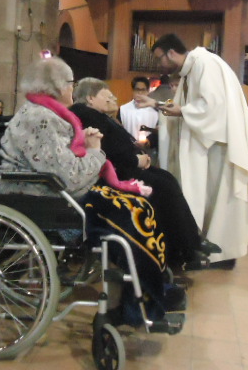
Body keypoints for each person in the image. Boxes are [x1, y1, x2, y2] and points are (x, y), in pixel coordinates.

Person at [0, 57, 181, 326]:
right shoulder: (41, 118)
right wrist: (95, 151)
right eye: (70, 83)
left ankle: (148, 289)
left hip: (54, 193)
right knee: (129, 211)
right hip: (42, 199)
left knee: (137, 205)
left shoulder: (46, 114)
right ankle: (138, 302)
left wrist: (86, 145)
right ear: (57, 86)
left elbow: (63, 165)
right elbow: (70, 177)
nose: (72, 88)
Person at [136, 33, 248, 269]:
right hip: (211, 144)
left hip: (220, 147)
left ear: (171, 53)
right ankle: (208, 251)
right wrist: (156, 104)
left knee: (220, 200)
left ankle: (222, 255)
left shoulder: (204, 64)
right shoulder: (192, 70)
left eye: (160, 59)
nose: (159, 65)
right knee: (212, 200)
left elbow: (211, 108)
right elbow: (185, 107)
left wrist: (181, 111)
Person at [71, 77, 220, 269]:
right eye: (105, 95)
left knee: (166, 179)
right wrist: (136, 160)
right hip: (113, 175)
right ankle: (186, 248)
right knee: (162, 186)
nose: (111, 98)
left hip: (121, 168)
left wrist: (137, 156)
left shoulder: (96, 115)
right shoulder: (88, 116)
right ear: (90, 98)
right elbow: (108, 150)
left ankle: (189, 243)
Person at [118, 76, 159, 146]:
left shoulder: (155, 111)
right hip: (128, 147)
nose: (140, 93)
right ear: (133, 90)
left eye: (143, 90)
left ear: (148, 91)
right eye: (137, 90)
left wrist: (147, 142)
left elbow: (158, 132)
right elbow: (119, 130)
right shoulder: (123, 109)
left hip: (149, 147)